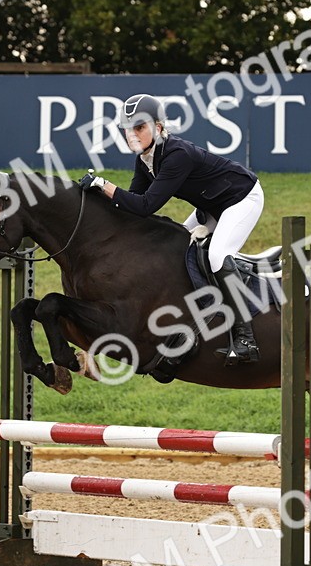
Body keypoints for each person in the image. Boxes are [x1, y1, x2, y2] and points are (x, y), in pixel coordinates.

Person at [77, 94, 263, 365]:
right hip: (211, 206)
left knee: (217, 256)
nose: (133, 135)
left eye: (139, 127)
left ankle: (246, 338)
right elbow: (130, 206)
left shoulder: (177, 154)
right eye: (129, 129)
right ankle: (186, 328)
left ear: (159, 127)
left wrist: (103, 185)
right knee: (176, 247)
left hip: (241, 198)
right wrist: (97, 197)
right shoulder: (144, 160)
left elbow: (146, 206)